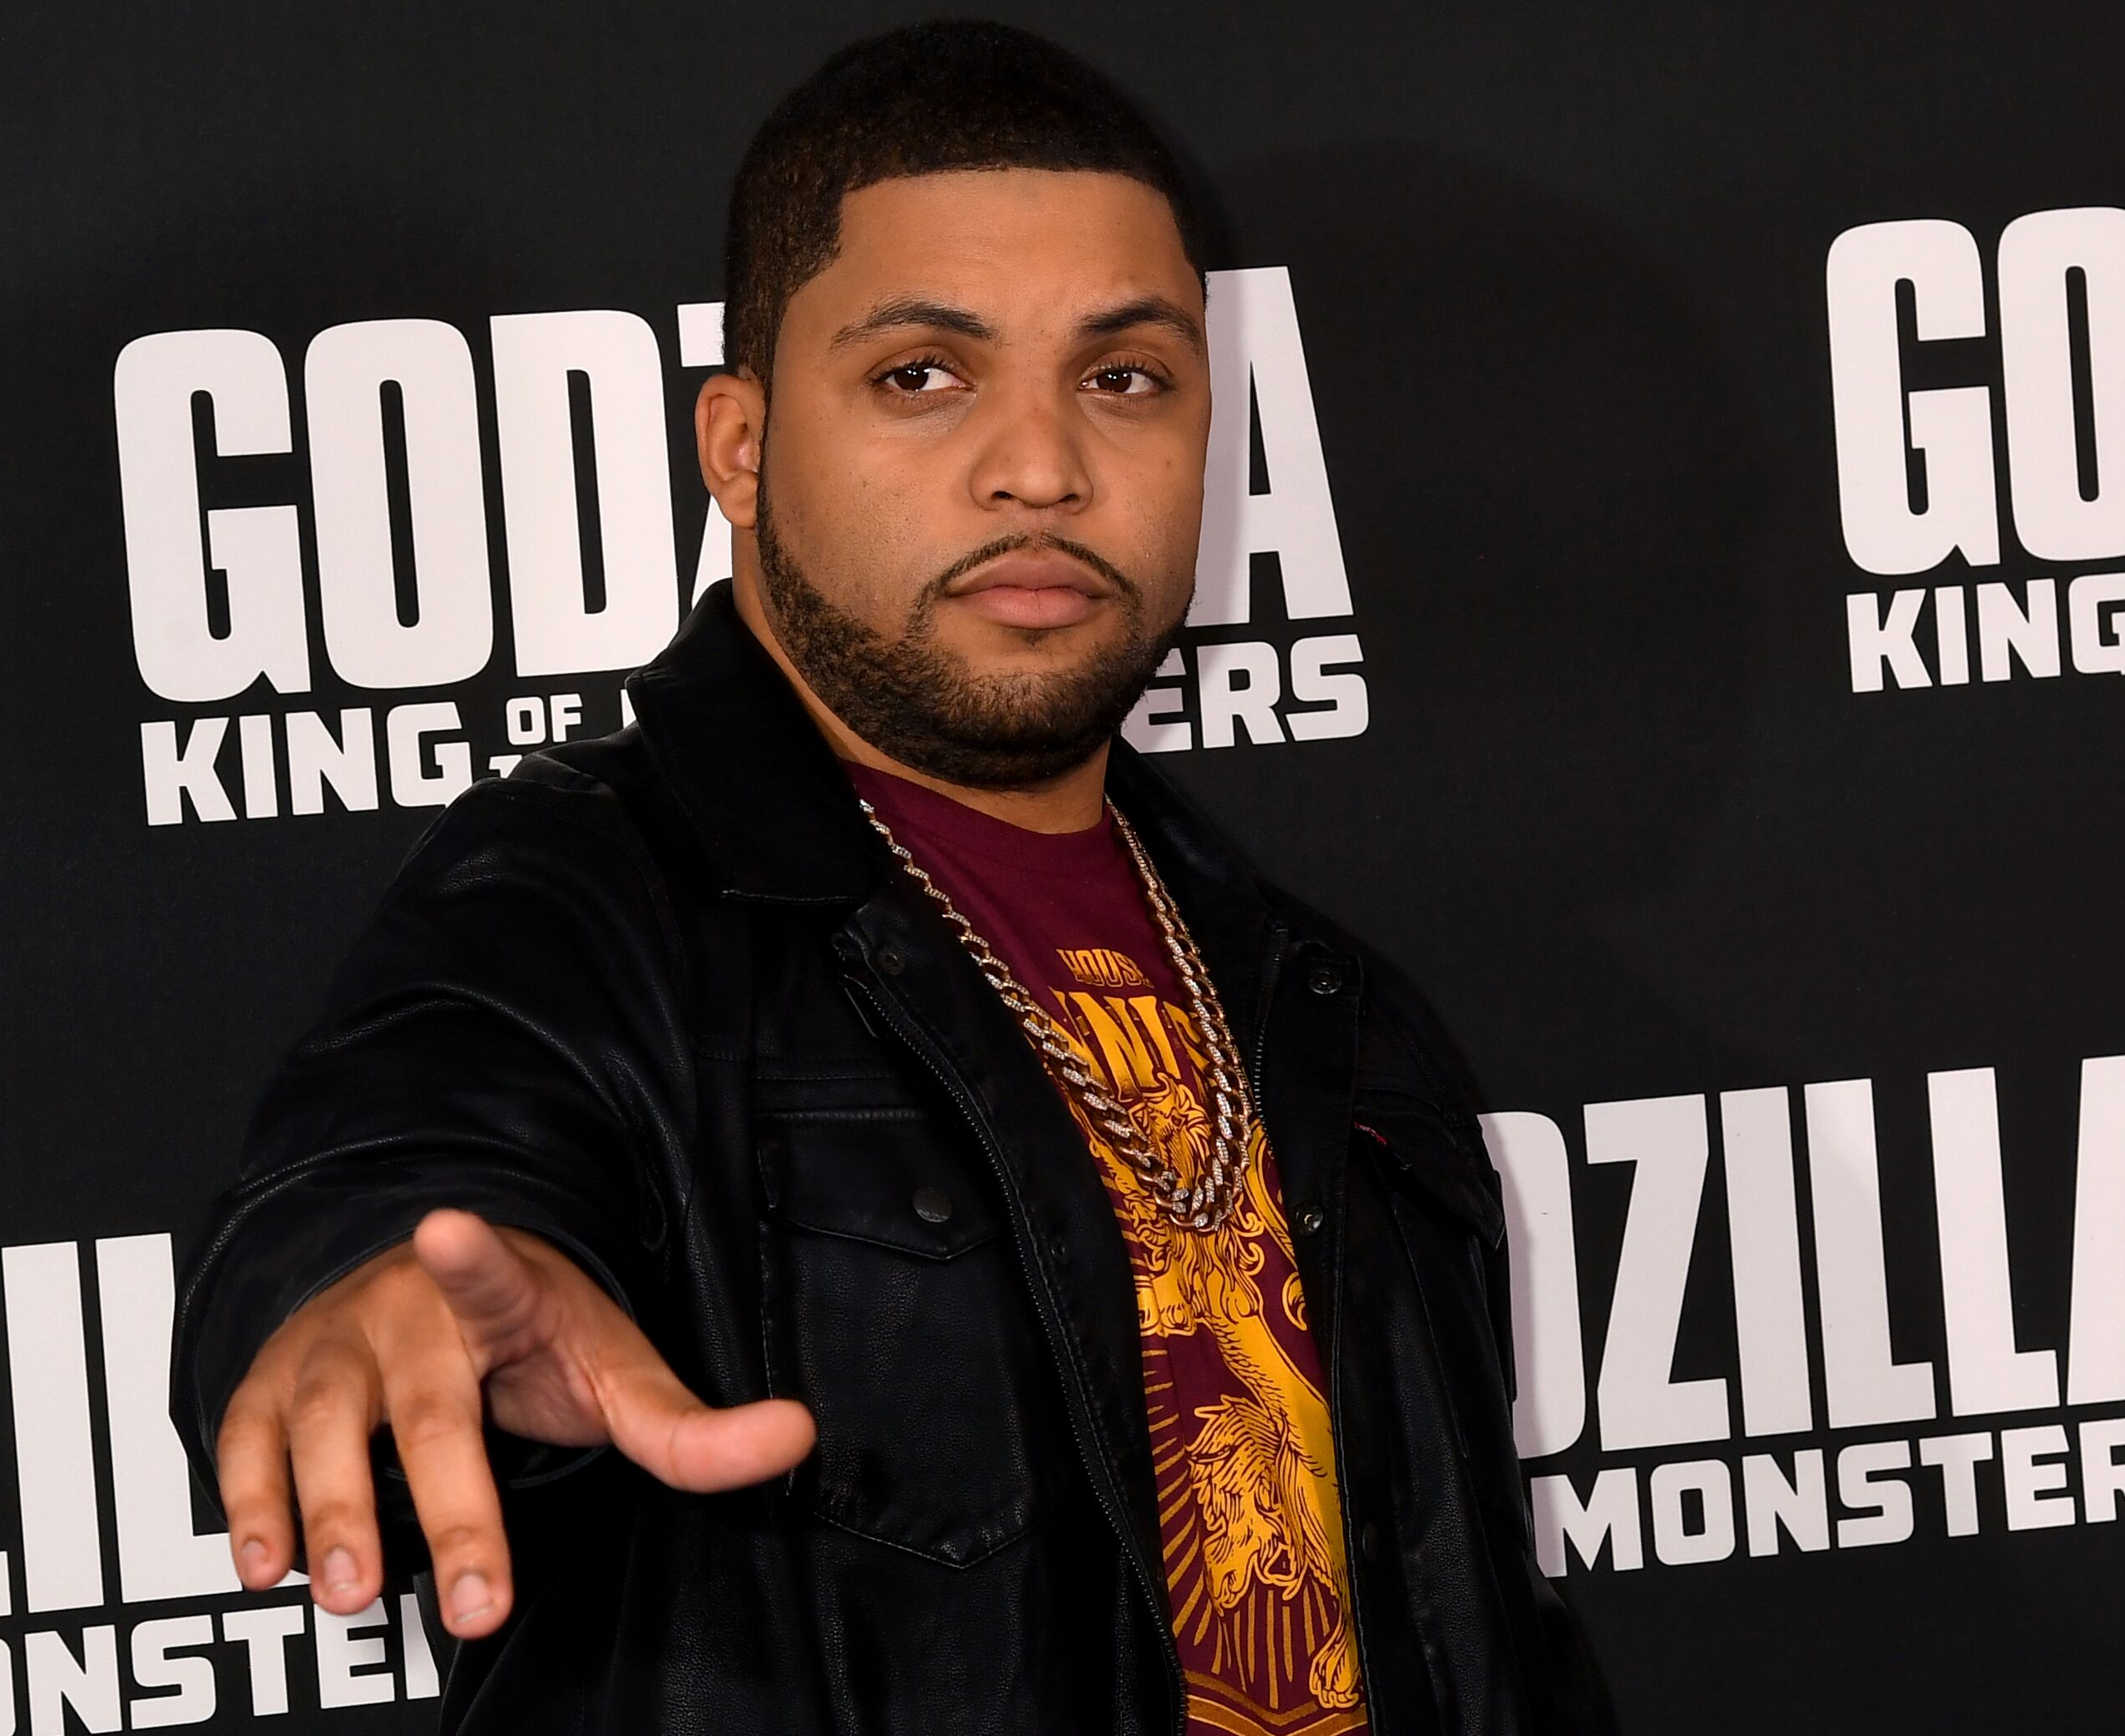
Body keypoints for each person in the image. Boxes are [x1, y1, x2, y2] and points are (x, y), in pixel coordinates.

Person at [173, 21, 1615, 1735]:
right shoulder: (578, 908)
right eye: (923, 374)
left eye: (1125, 377)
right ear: (739, 445)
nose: (1040, 465)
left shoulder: (1322, 1002)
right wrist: (369, 1289)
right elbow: (406, 1159)